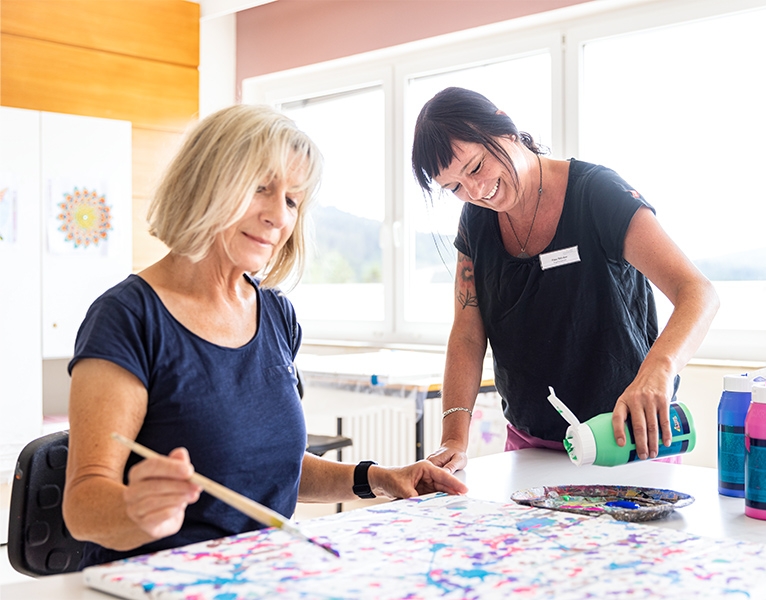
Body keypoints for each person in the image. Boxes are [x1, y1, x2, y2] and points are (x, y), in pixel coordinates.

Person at [62, 104, 467, 569]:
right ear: (206, 182)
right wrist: (137, 508)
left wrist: (379, 478)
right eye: (261, 188)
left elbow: (275, 467)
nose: (279, 215)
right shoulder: (127, 317)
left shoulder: (276, 313)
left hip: (263, 572)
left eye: (292, 200)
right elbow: (82, 507)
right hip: (162, 579)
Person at [411, 87, 719, 473]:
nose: (475, 191)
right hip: (531, 446)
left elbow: (698, 293)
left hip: (624, 440)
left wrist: (658, 371)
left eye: (475, 167)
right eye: (453, 187)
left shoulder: (597, 194)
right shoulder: (476, 221)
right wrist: (453, 439)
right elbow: (468, 334)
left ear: (504, 126)